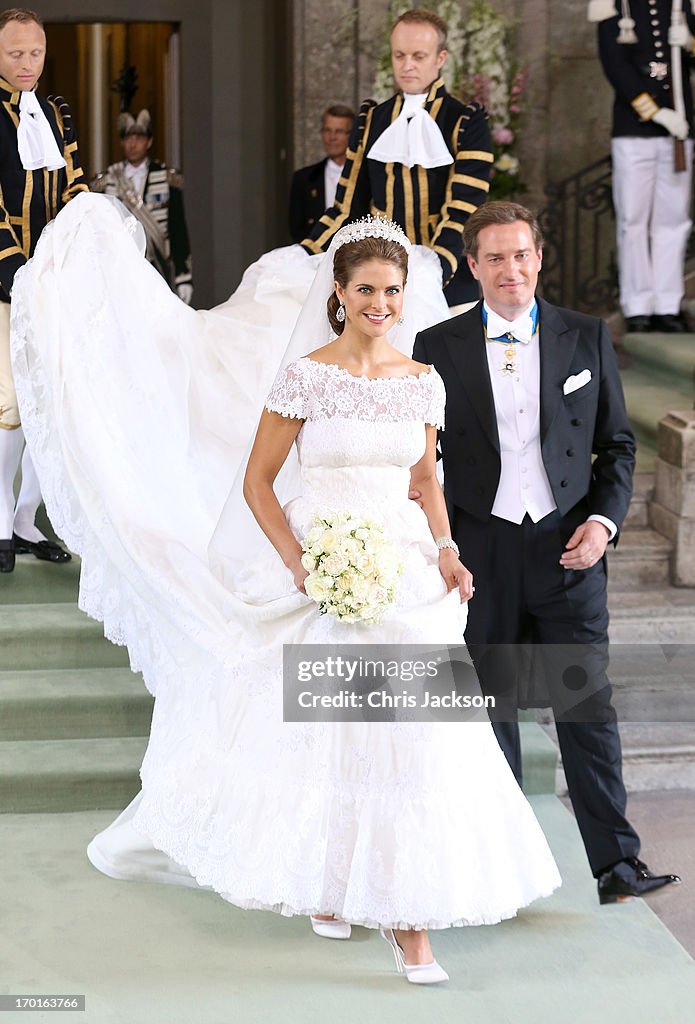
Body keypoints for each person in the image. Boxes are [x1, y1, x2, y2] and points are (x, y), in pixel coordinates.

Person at [11, 204, 560, 983]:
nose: (380, 304)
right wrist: (301, 561)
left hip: (406, 572)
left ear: (406, 295)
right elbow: (259, 483)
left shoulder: (422, 382)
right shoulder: (304, 377)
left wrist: (445, 549)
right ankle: (335, 890)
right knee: (336, 731)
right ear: (338, 291)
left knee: (417, 737)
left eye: (392, 291)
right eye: (366, 289)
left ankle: (407, 921)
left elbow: (423, 479)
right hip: (329, 566)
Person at [413, 200, 681, 905]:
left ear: (539, 257)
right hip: (480, 552)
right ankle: (498, 873)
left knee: (584, 705)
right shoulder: (434, 346)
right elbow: (420, 460)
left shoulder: (585, 337)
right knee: (488, 713)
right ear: (471, 267)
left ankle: (615, 865)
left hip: (567, 548)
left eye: (520, 254)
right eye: (493, 257)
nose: (510, 269)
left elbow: (618, 446)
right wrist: (440, 544)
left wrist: (601, 523)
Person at [301, 7, 493, 310]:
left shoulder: (464, 121)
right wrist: (306, 251)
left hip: (447, 282)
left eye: (418, 56)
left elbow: (464, 209)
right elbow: (348, 206)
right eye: (399, 55)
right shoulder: (372, 120)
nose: (407, 66)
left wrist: (435, 267)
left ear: (440, 59)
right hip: (375, 278)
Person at [0, 6, 85, 573]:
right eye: (14, 53)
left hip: (54, 281)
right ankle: (0, 522)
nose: (27, 64)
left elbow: (75, 187)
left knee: (50, 403)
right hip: (5, 280)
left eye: (35, 53)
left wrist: (79, 250)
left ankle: (27, 519)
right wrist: (18, 274)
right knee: (9, 403)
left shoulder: (57, 113)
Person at [591, 0, 695, 333]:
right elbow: (614, 65)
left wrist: (689, 42)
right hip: (634, 129)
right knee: (633, 220)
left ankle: (667, 303)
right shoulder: (614, 5)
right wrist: (655, 112)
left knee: (673, 220)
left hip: (680, 129)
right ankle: (637, 306)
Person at [91, 109, 193, 304]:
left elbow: (177, 229)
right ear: (121, 141)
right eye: (128, 137)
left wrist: (183, 276)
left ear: (149, 141)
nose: (133, 143)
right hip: (120, 269)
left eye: (139, 137)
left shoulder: (166, 178)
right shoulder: (108, 180)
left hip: (158, 267)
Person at [288, 104, 354, 242]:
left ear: (352, 135)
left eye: (339, 131)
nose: (332, 137)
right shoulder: (304, 179)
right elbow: (297, 229)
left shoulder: (364, 179)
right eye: (327, 130)